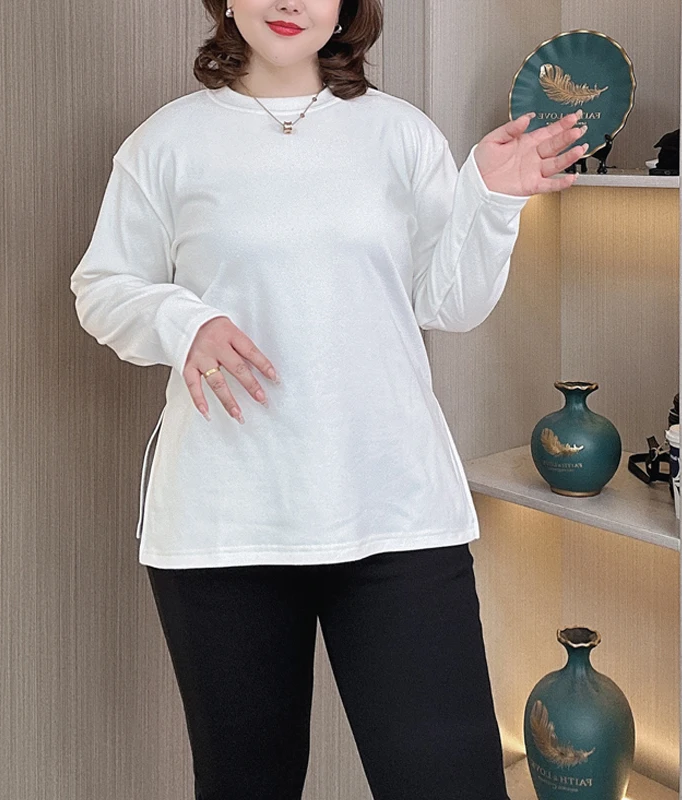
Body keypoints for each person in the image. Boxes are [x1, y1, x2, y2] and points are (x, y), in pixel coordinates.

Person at [69, 1, 587, 797]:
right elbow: (103, 287)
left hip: (395, 511)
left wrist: (491, 199)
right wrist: (185, 321)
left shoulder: (400, 134)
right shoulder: (166, 142)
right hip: (226, 526)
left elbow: (447, 303)